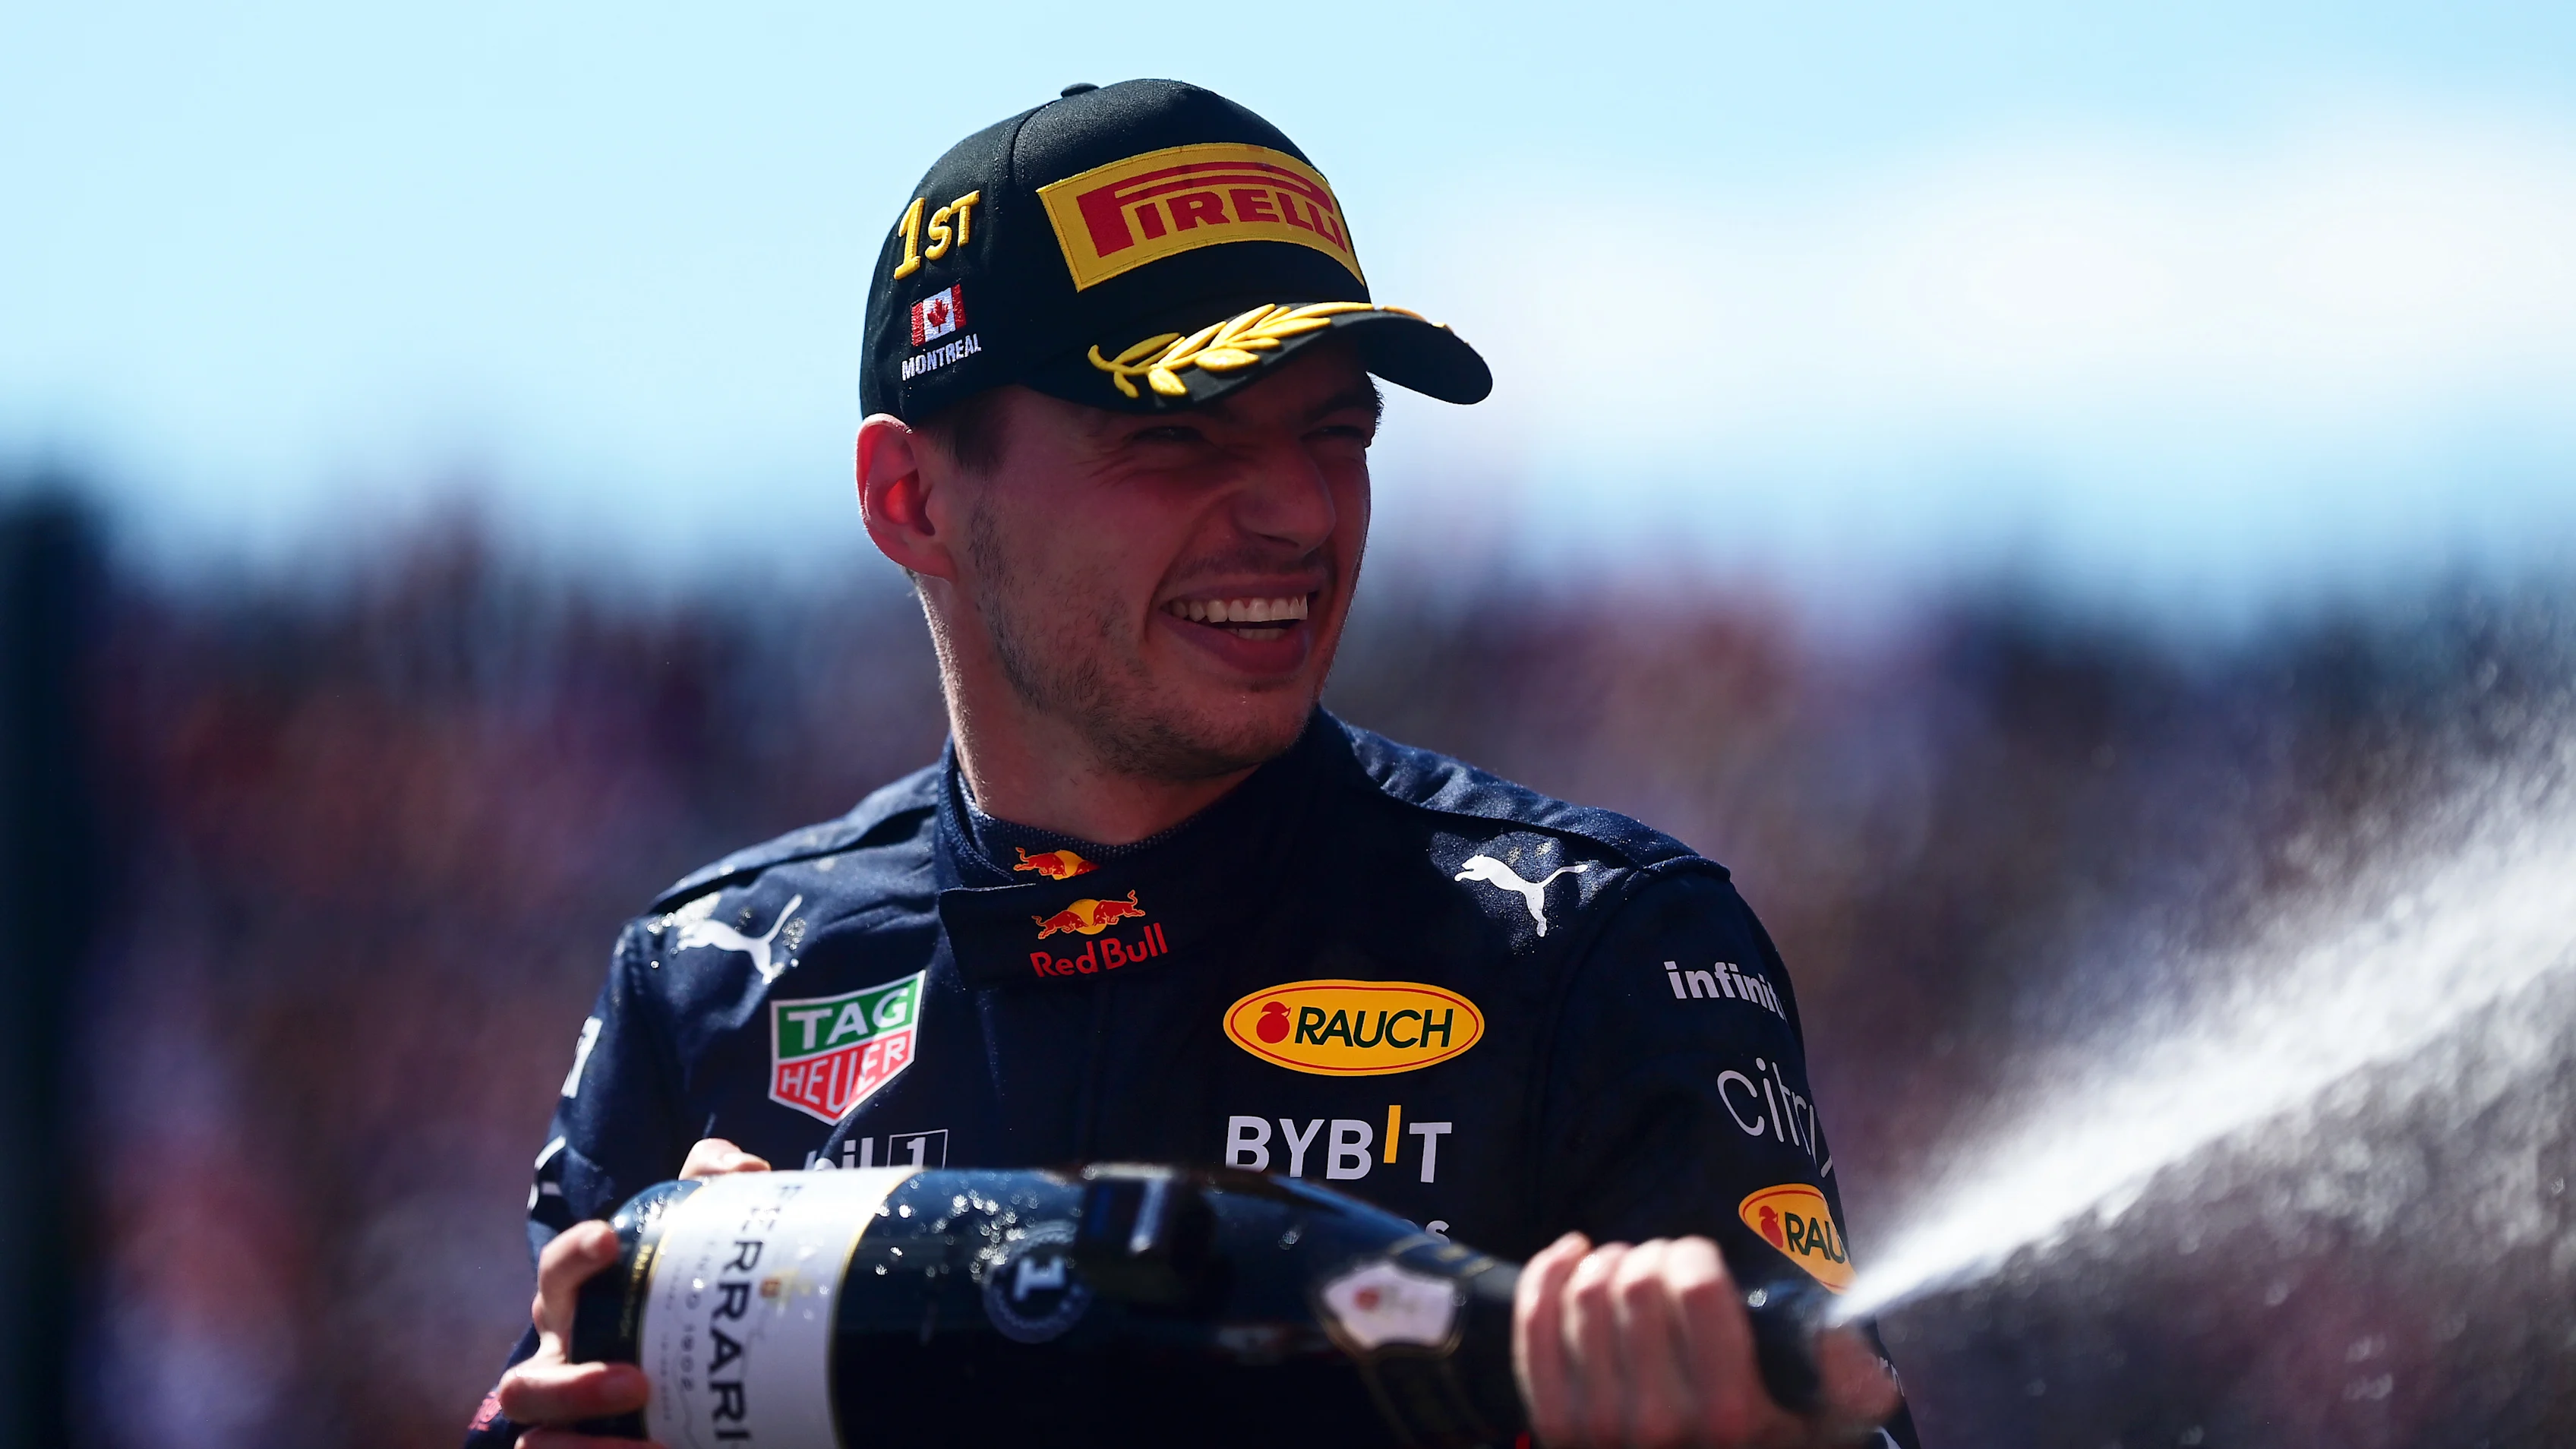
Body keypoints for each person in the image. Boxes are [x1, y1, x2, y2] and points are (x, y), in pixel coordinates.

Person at [468, 79, 1920, 1449]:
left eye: (1336, 430)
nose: (1297, 508)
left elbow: (1846, 1407)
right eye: (1175, 434)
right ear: (910, 498)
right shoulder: (711, 979)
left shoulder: (1594, 947)